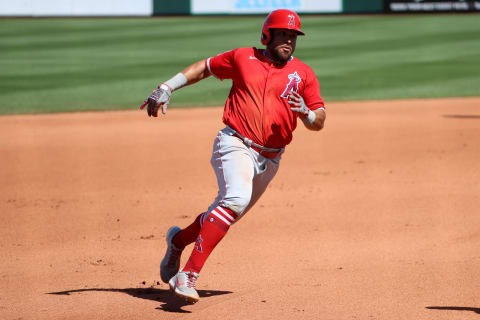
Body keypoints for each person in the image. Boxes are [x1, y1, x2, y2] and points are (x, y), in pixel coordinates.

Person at [140, 9, 326, 304]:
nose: (288, 40)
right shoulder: (243, 57)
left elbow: (320, 120)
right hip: (235, 143)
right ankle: (187, 276)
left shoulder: (303, 73)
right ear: (267, 35)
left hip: (271, 159)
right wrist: (166, 87)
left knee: (225, 214)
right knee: (235, 202)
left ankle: (177, 241)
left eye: (293, 36)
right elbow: (204, 68)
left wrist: (307, 113)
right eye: (282, 34)